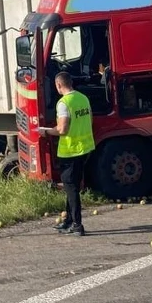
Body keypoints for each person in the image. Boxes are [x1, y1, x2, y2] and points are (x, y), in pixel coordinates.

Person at [39, 71, 95, 236]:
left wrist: (47, 132)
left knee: (71, 189)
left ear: (58, 85)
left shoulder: (64, 103)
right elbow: (90, 120)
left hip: (70, 151)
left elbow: (62, 129)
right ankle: (69, 220)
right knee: (72, 186)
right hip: (84, 149)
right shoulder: (83, 98)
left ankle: (77, 225)